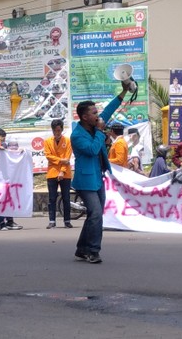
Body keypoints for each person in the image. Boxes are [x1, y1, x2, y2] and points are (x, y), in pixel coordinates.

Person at [71, 82, 131, 264]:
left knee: (94, 215)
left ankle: (82, 248)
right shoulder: (77, 135)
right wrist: (99, 132)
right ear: (84, 117)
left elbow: (111, 108)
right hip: (85, 180)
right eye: (94, 113)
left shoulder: (94, 125)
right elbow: (92, 149)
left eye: (97, 112)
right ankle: (93, 251)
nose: (98, 115)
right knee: (96, 213)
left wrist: (125, 91)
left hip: (98, 177)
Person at [0, 128, 23, 230]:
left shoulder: (4, 147)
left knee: (7, 199)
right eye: (1, 138)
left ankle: (6, 221)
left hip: (5, 176)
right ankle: (1, 222)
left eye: (3, 139)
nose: (2, 141)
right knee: (2, 200)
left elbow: (12, 153)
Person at [44, 119, 73, 229]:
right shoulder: (47, 141)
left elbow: (68, 156)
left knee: (66, 197)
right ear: (52, 130)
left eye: (59, 130)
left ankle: (67, 220)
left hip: (65, 173)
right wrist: (61, 160)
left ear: (62, 129)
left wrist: (62, 171)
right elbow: (48, 156)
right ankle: (52, 220)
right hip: (52, 172)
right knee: (52, 198)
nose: (57, 133)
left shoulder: (68, 141)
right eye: (55, 130)